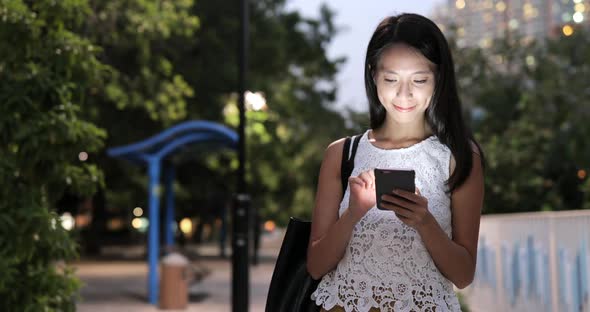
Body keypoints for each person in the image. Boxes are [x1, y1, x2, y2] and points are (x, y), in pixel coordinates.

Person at [307, 13, 485, 312]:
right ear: (373, 74)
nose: (405, 94)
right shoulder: (342, 154)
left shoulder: (459, 158)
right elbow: (315, 266)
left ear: (438, 79)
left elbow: (463, 274)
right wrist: (353, 214)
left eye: (419, 79)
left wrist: (425, 222)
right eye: (391, 79)